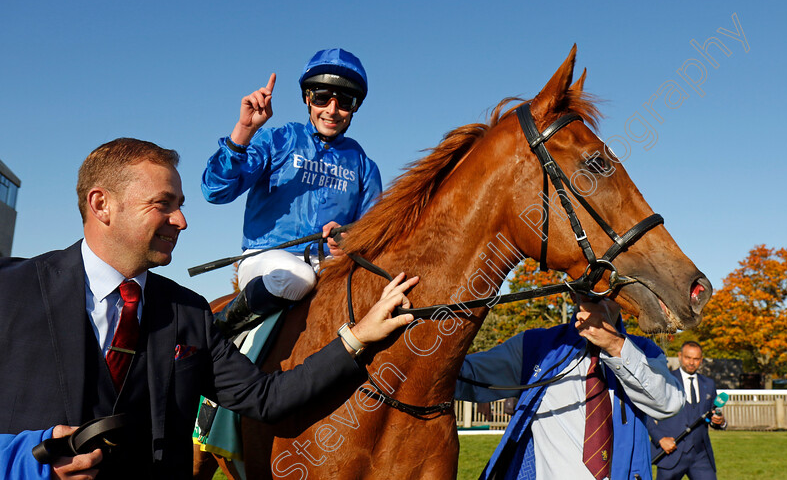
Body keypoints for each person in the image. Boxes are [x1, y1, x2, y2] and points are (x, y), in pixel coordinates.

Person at [0, 138, 416, 479]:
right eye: (163, 203)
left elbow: (265, 397)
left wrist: (357, 337)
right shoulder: (9, 289)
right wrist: (20, 462)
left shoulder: (189, 312)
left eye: (180, 204)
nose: (181, 220)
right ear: (101, 204)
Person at [201, 48, 381, 327]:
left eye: (344, 101)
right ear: (308, 99)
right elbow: (215, 191)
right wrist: (244, 131)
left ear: (355, 107)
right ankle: (222, 327)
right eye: (322, 98)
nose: (332, 110)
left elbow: (373, 230)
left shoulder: (364, 166)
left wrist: (350, 237)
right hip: (269, 260)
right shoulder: (277, 139)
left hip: (332, 266)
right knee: (299, 277)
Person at [456, 296, 685, 480]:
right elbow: (462, 378)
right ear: (574, 293)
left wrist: (616, 346)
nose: (600, 297)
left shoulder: (644, 350)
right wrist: (419, 330)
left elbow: (668, 404)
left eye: (610, 291)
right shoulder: (535, 346)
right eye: (591, 289)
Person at [646, 341, 726, 480]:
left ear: (701, 360)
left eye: (696, 359)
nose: (691, 362)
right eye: (688, 357)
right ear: (679, 356)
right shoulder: (664, 380)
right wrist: (660, 439)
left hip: (701, 456)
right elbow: (645, 412)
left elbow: (709, 416)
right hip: (671, 454)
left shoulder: (709, 384)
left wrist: (719, 421)